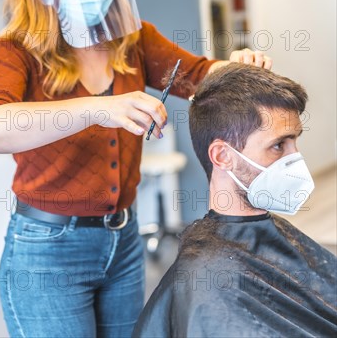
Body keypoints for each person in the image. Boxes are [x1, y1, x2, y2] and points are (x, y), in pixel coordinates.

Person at [0, 0, 272, 338]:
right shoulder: (16, 50)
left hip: (123, 242)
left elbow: (198, 76)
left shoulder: (131, 41)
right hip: (48, 251)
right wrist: (98, 108)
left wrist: (239, 65)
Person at [133, 63, 337, 338]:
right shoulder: (206, 280)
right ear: (222, 156)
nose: (295, 160)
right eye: (279, 145)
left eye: (295, 143)